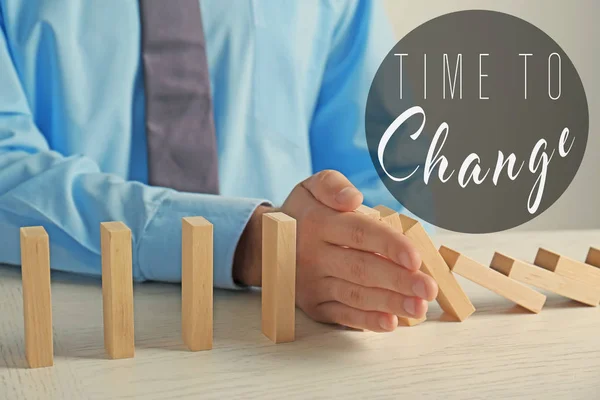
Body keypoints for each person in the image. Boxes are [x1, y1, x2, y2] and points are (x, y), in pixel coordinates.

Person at [0, 0, 437, 333]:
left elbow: (388, 171)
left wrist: (371, 257)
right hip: (68, 334)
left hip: (291, 336)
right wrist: (251, 244)